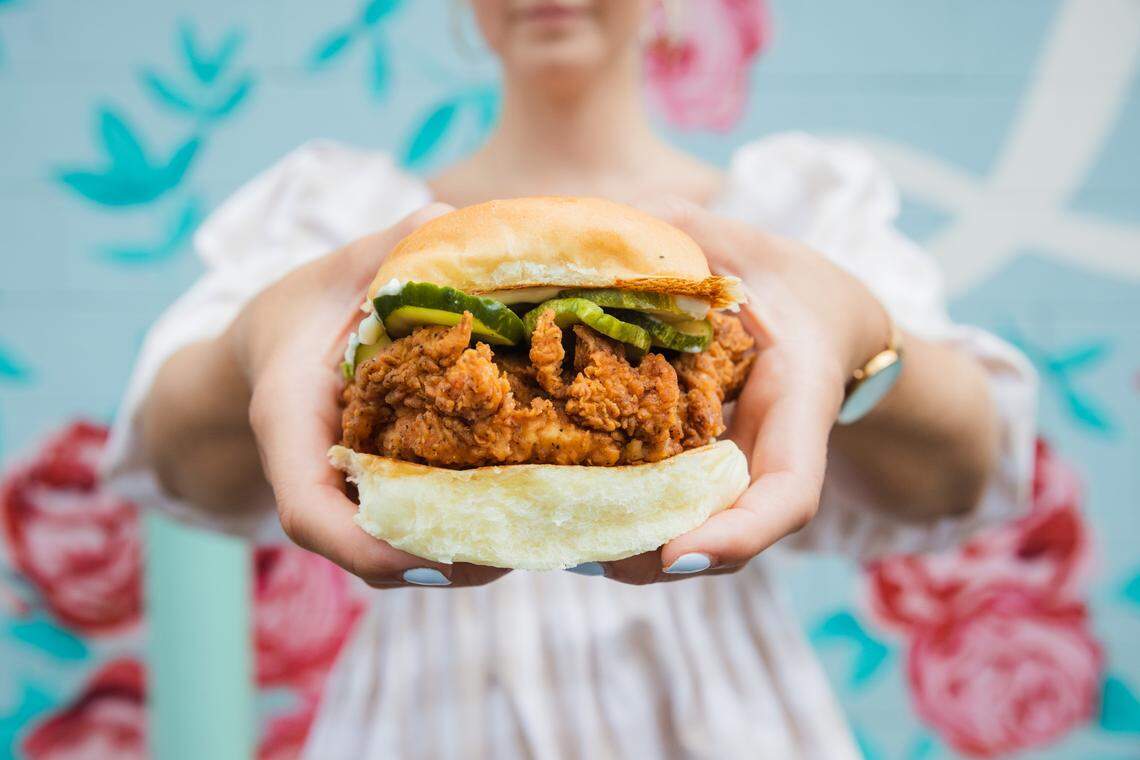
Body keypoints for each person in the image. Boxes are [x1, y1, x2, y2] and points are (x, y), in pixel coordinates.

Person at [105, 1, 1037, 757]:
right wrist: (252, 344)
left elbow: (968, 470)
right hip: (422, 715)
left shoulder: (790, 217)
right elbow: (182, 466)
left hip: (722, 712)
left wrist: (862, 340)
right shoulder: (345, 224)